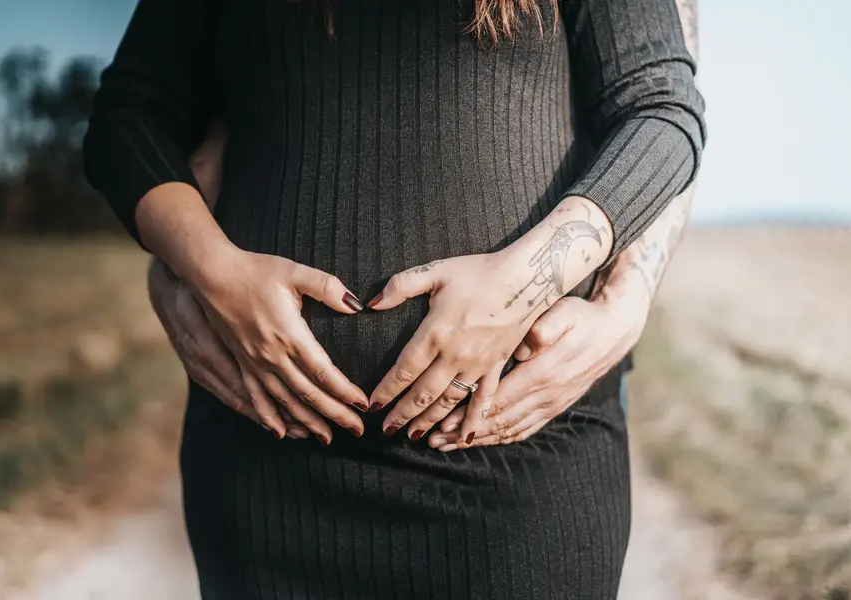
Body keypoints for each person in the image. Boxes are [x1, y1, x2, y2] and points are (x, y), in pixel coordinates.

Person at [84, 0, 705, 598]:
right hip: (267, 467)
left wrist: (522, 286)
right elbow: (129, 117)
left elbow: (660, 110)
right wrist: (212, 271)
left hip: (520, 466)